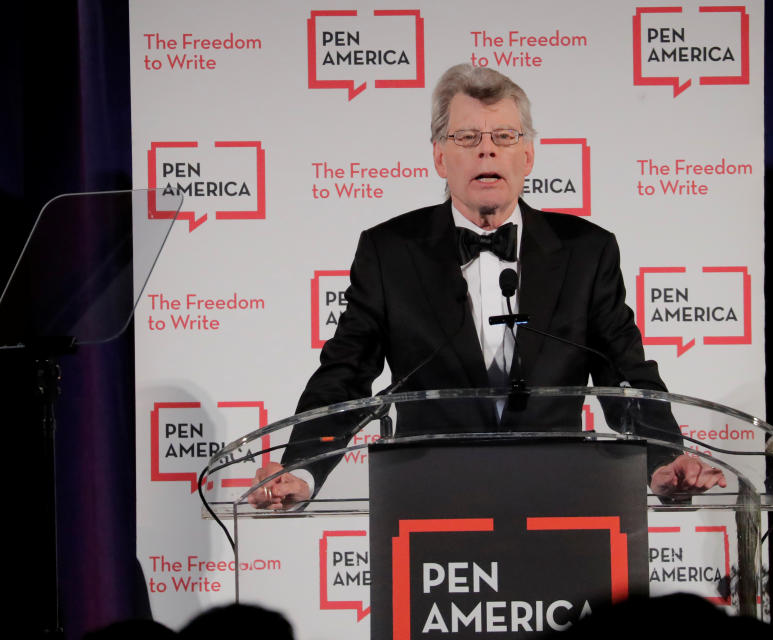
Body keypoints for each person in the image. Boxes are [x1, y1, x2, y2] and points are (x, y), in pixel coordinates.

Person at [250, 64, 725, 509]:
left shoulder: (587, 251)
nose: (487, 149)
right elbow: (346, 374)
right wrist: (302, 469)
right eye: (466, 137)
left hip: (559, 507)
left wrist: (663, 459)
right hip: (430, 508)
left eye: (504, 136)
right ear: (439, 156)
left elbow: (625, 373)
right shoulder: (390, 252)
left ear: (528, 155)